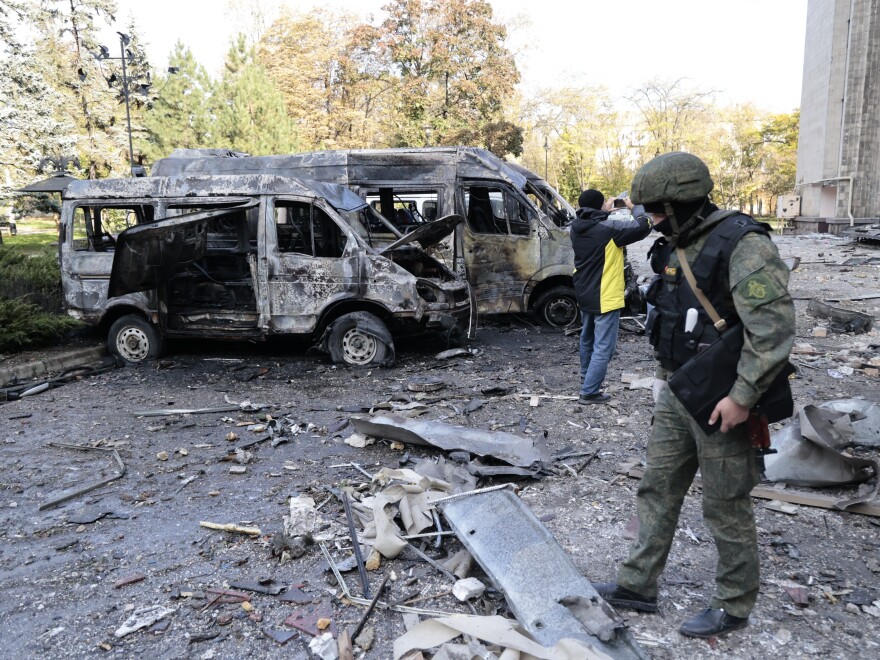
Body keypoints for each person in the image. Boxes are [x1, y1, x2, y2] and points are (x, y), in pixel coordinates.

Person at [594, 152, 796, 638]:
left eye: (658, 209)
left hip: (724, 399)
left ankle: (734, 603)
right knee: (657, 487)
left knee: (725, 504)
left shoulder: (742, 244)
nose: (651, 219)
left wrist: (744, 396)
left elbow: (771, 330)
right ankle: (637, 585)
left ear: (684, 202)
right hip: (678, 391)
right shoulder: (671, 243)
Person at [571, 189, 651, 404]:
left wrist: (605, 212)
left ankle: (585, 379)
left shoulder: (576, 227)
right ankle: (589, 392)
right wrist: (635, 208)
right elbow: (643, 226)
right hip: (604, 294)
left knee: (587, 338)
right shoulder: (609, 229)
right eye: (605, 202)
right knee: (604, 346)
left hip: (584, 291)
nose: (609, 203)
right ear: (598, 206)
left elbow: (597, 226)